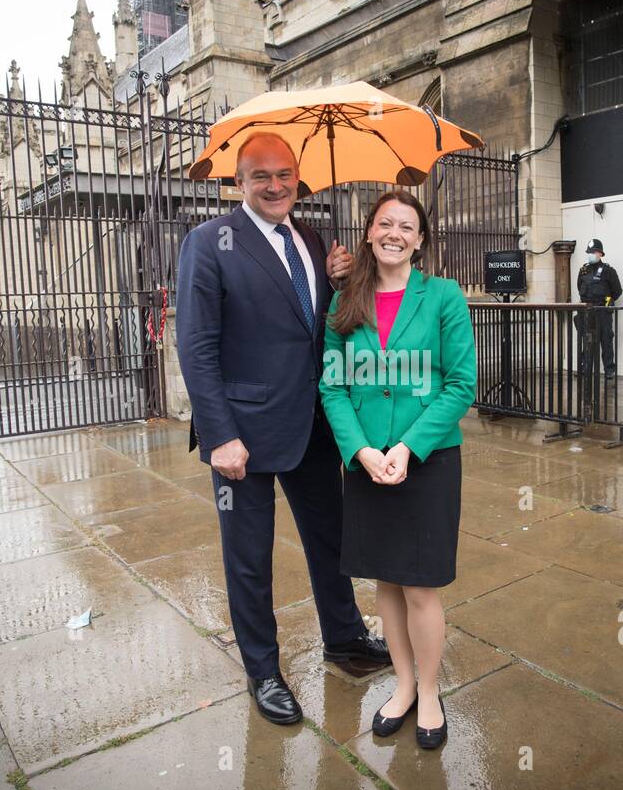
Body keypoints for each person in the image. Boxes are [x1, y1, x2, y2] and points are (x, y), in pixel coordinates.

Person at [176, 132, 390, 726]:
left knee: (333, 541)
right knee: (250, 555)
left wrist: (338, 280)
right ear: (239, 182)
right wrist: (219, 434)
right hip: (242, 433)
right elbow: (195, 345)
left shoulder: (312, 238)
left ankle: (344, 638)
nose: (274, 186)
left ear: (299, 178)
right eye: (260, 176)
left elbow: (311, 326)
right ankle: (263, 669)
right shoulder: (208, 242)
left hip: (314, 425)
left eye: (284, 175)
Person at [319, 189, 477, 750]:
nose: (395, 233)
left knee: (420, 587)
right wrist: (360, 451)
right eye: (385, 223)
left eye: (407, 226)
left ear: (420, 239)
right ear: (368, 233)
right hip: (365, 464)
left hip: (426, 462)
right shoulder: (345, 302)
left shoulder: (443, 297)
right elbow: (332, 387)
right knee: (385, 581)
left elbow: (461, 385)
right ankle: (404, 685)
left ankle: (430, 690)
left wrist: (409, 447)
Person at [577, 238, 621, 378]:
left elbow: (617, 291)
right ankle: (585, 368)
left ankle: (609, 370)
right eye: (589, 252)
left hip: (603, 311)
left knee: (606, 340)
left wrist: (607, 301)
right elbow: (580, 288)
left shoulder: (609, 271)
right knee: (588, 340)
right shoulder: (583, 271)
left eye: (593, 252)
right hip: (588, 312)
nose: (590, 255)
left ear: (600, 254)